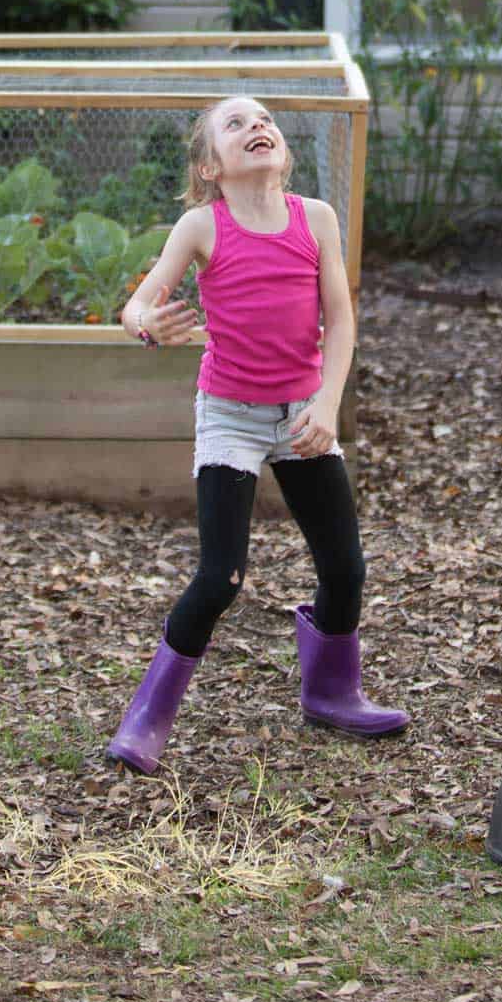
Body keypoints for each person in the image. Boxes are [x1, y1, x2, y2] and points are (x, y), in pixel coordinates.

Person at [106, 94, 407, 774]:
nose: (257, 127)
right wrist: (145, 326)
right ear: (212, 165)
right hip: (230, 417)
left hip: (302, 413)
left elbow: (342, 322)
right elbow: (138, 305)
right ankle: (145, 721)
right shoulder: (200, 226)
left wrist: (327, 407)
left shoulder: (317, 220)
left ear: (283, 149)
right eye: (236, 124)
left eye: (264, 119)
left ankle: (332, 692)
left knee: (344, 567)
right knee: (220, 577)